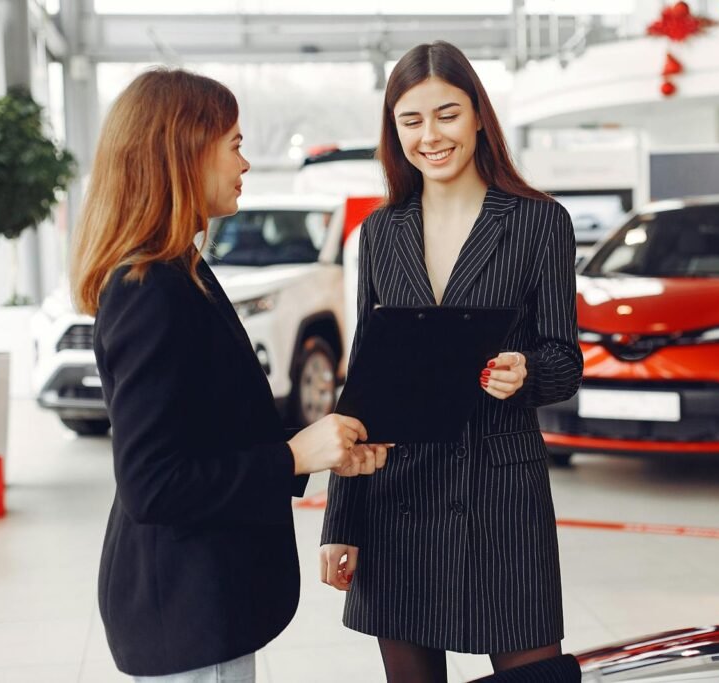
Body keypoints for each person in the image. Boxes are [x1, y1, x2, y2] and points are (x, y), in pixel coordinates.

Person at [70, 68, 388, 682]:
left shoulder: (180, 268)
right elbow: (152, 484)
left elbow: (207, 427)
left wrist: (319, 451)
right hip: (185, 615)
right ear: (184, 150)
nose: (245, 164)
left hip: (198, 602)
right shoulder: (150, 289)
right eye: (235, 144)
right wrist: (293, 456)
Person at [319, 41, 583, 682]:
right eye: (411, 121)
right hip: (398, 495)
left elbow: (564, 360)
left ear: (478, 118)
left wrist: (525, 373)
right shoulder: (382, 232)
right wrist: (340, 521)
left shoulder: (538, 222)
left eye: (447, 114)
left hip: (500, 494)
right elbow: (366, 380)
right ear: (394, 130)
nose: (430, 136)